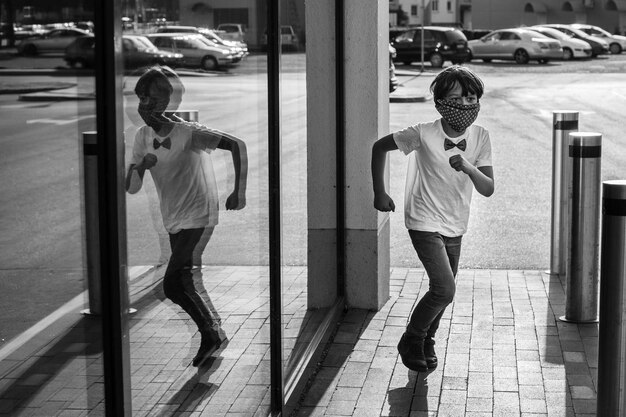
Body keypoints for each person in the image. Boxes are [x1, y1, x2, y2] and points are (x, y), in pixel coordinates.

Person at [371, 65, 494, 372]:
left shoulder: (480, 137)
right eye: (455, 98)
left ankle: (427, 340)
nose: (464, 105)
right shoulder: (423, 133)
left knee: (443, 289)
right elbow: (378, 148)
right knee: (445, 289)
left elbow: (488, 188)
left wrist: (468, 167)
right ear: (440, 102)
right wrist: (379, 192)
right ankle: (412, 339)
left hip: (455, 222)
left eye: (470, 98)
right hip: (423, 219)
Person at [126, 66, 248, 367]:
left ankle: (210, 333)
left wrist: (238, 191)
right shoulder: (142, 136)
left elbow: (237, 145)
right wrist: (140, 166)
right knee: (184, 279)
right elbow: (130, 187)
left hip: (198, 212)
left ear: (167, 100)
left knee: (170, 284)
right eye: (141, 98)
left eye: (152, 98)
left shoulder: (188, 132)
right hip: (173, 216)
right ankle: (214, 330)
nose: (145, 106)